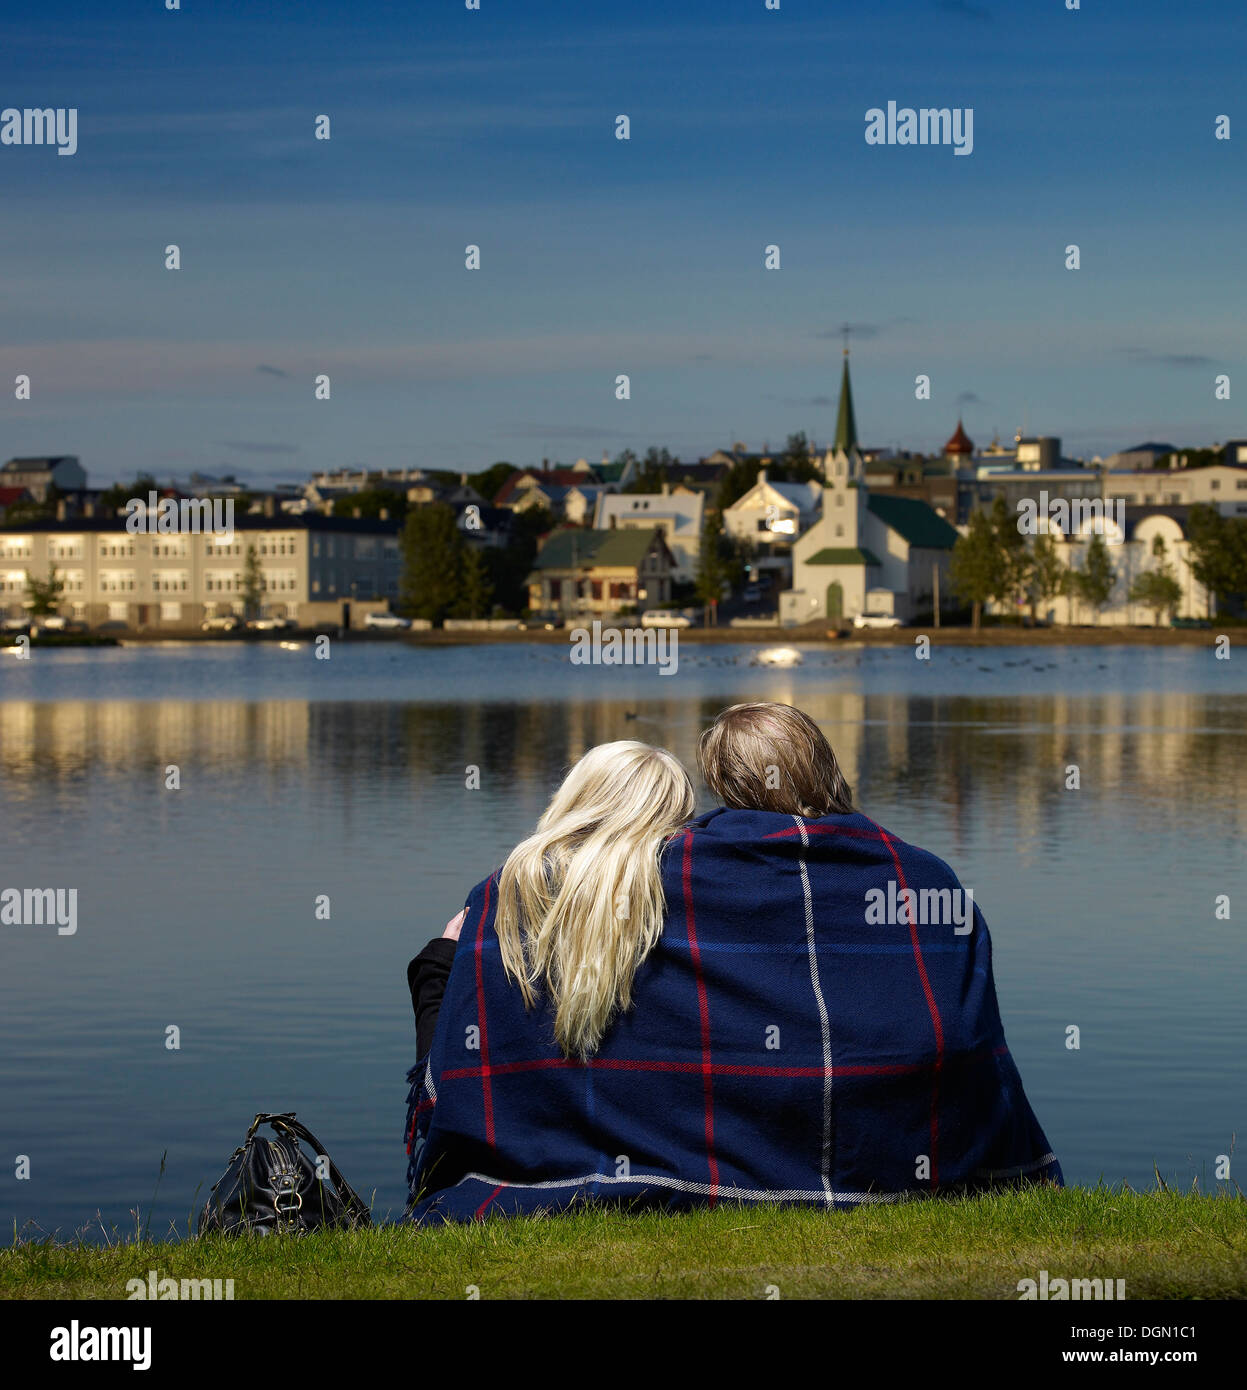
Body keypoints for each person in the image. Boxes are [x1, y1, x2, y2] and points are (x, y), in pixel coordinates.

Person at [404, 707, 1060, 1222]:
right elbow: (972, 1042)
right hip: (911, 1160)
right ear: (829, 769)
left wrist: (443, 964)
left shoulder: (657, 873)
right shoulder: (923, 877)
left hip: (675, 1167)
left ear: (720, 782)